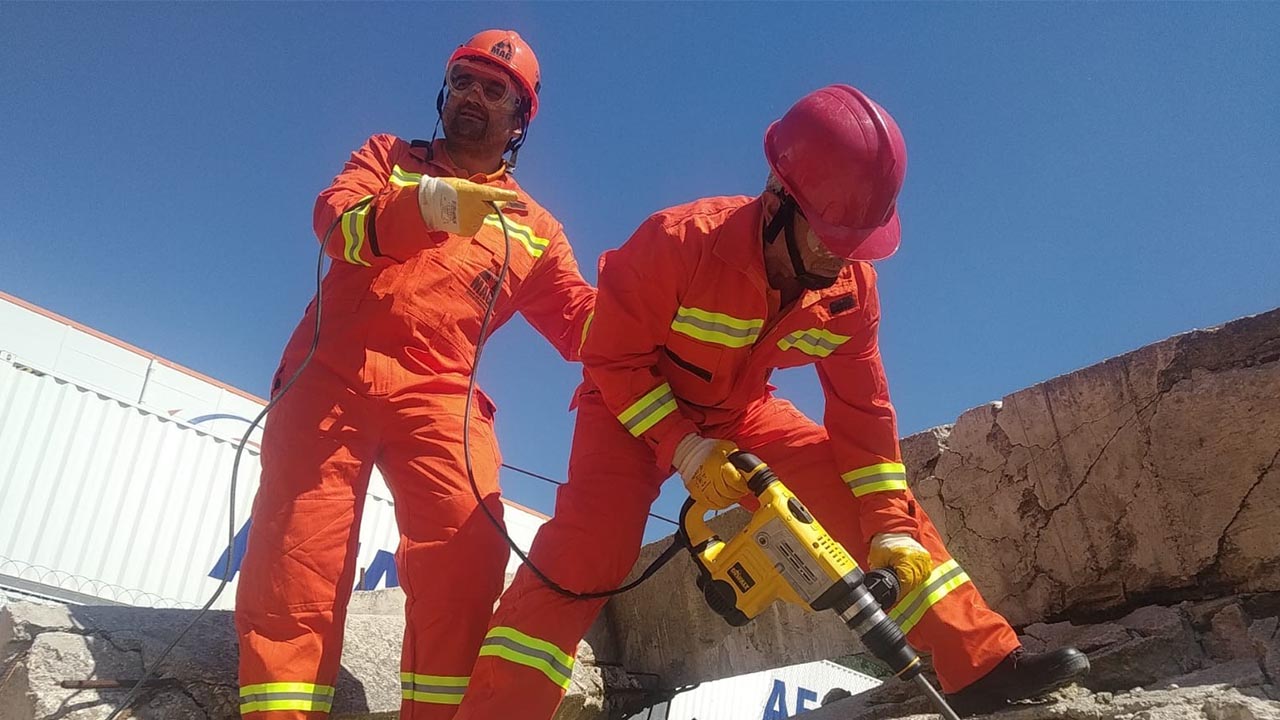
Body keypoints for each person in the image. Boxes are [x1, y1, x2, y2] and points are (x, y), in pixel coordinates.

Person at [454, 84, 1089, 719]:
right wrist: (682, 446)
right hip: (629, 408)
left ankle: (978, 664)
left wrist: (892, 531)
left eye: (855, 241)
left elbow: (864, 414)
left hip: (741, 410)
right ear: (779, 201)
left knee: (854, 490)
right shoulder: (677, 243)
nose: (841, 258)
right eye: (829, 236)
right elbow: (610, 358)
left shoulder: (849, 289)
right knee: (587, 553)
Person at [234, 29, 595, 720]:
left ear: (519, 120)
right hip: (328, 377)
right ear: (444, 91)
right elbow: (336, 222)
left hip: (439, 394)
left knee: (469, 551)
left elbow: (580, 321)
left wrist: (651, 314)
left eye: (495, 91)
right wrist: (426, 206)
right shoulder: (387, 157)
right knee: (297, 557)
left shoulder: (534, 228)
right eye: (463, 81)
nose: (473, 98)